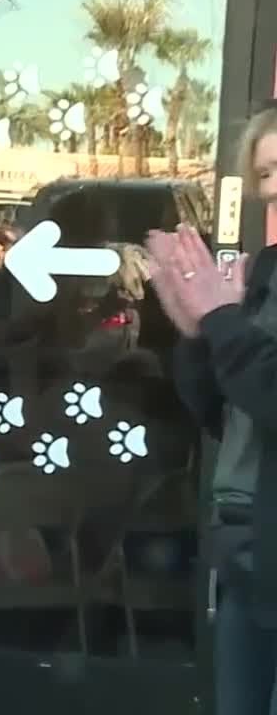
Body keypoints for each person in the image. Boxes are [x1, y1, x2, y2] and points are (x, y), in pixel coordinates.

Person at [149, 103, 277, 715]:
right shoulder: (266, 275)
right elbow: (223, 413)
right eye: (267, 172)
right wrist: (197, 335)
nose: (272, 188)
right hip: (249, 550)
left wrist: (221, 318)